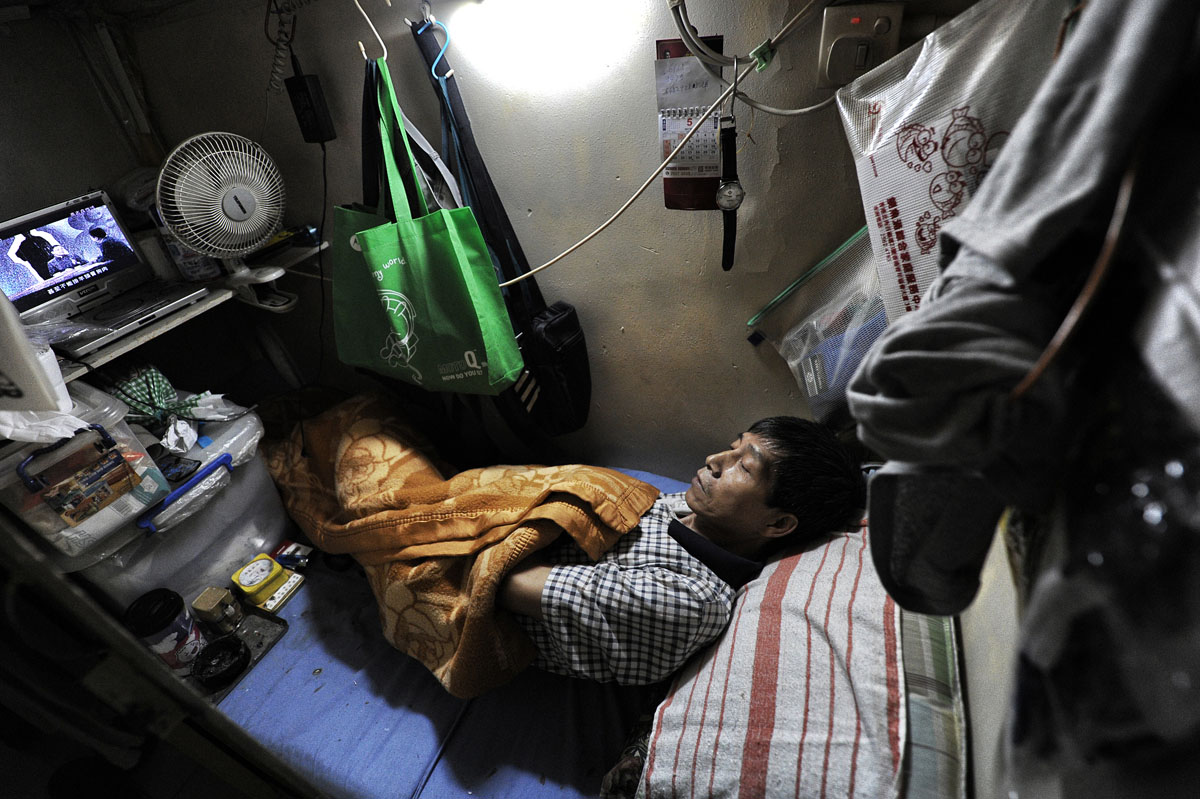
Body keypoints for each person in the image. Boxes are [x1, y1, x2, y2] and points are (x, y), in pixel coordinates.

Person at [498, 415, 864, 685]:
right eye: (733, 446)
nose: (715, 459)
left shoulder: (689, 598)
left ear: (778, 524)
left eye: (745, 466)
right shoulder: (685, 509)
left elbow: (502, 583)